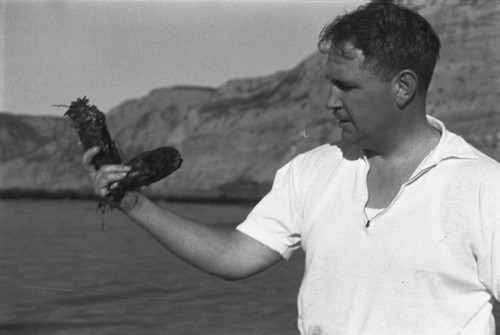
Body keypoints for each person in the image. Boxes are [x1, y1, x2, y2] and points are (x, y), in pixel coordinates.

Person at [82, 0, 500, 334]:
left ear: (404, 87)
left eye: (347, 86)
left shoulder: (483, 186)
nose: (330, 101)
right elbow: (235, 257)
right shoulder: (312, 170)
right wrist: (133, 204)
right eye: (329, 83)